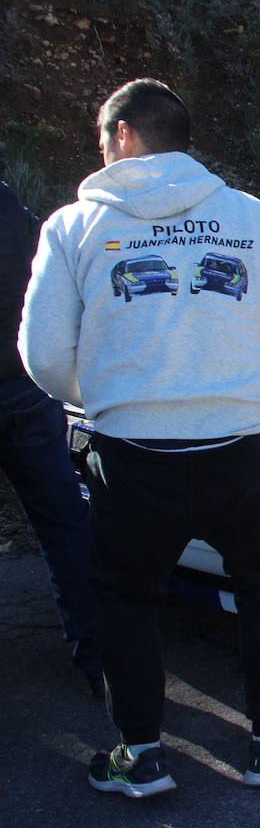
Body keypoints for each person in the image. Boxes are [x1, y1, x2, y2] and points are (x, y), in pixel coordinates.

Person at [21, 79, 260, 798]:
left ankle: (143, 755)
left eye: (102, 138)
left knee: (126, 603)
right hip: (242, 448)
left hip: (134, 458)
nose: (100, 151)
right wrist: (234, 383)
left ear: (124, 134)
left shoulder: (74, 227)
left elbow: (43, 354)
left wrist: (110, 401)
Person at [0, 180, 103, 696]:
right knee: (65, 526)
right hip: (24, 392)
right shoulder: (19, 216)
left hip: (26, 392)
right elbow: (53, 314)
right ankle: (99, 662)